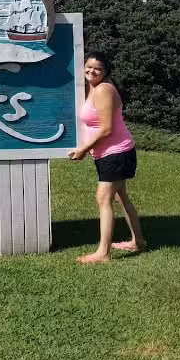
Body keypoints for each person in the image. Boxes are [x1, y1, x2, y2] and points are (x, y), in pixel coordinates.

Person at [68, 51, 145, 263]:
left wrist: (83, 149)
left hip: (117, 153)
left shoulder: (103, 90)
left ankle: (103, 253)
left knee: (103, 198)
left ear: (105, 72)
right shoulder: (92, 88)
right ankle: (138, 241)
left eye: (98, 69)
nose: (91, 71)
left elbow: (106, 129)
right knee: (121, 197)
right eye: (89, 66)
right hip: (110, 153)